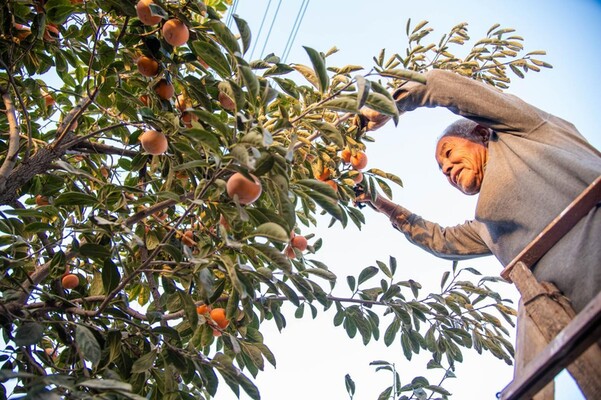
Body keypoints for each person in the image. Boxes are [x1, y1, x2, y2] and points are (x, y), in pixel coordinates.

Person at [356, 69, 601, 314]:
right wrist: (375, 200)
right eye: (442, 169)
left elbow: (443, 85)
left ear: (482, 133)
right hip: (579, 316)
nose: (447, 168)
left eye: (449, 153)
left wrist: (389, 104)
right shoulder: (487, 227)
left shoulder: (523, 131)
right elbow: (439, 240)